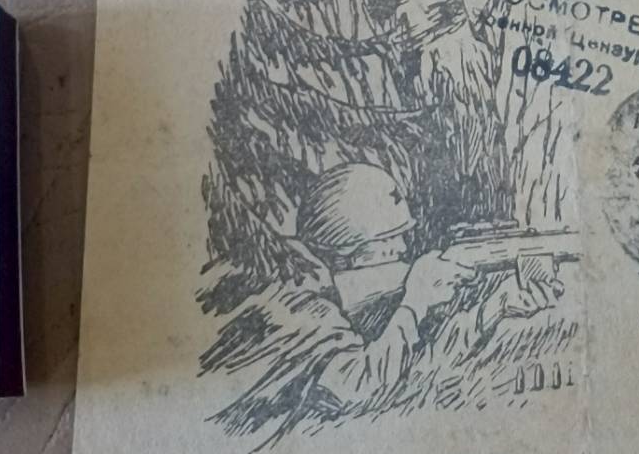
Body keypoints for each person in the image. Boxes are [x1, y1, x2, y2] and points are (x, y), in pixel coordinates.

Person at [201, 163, 560, 438]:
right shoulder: (290, 300)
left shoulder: (329, 299)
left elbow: (413, 368)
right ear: (349, 249)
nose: (403, 249)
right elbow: (352, 389)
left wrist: (495, 308)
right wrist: (414, 301)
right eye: (391, 241)